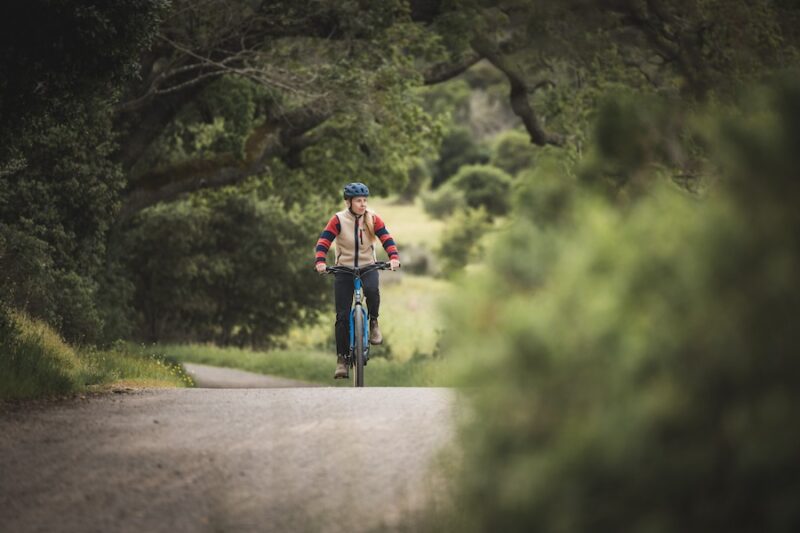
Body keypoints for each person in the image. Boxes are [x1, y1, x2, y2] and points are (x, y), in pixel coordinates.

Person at [314, 182, 400, 379]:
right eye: (358, 201)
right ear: (348, 202)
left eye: (365, 200)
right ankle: (342, 359)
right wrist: (320, 262)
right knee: (342, 316)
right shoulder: (338, 220)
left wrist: (394, 258)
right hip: (343, 269)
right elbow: (324, 241)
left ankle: (374, 322)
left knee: (372, 291)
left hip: (368, 266)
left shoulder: (372, 218)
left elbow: (387, 239)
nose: (363, 204)